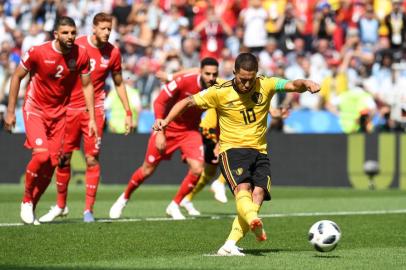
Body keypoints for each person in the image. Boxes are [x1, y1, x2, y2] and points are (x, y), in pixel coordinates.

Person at [153, 52, 320, 255]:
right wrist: (166, 122)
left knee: (258, 194)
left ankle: (230, 244)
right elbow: (187, 102)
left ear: (257, 75)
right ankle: (252, 221)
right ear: (234, 73)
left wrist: (307, 82)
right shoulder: (219, 91)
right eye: (242, 79)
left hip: (260, 150)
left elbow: (293, 85)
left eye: (251, 80)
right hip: (232, 149)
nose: (247, 85)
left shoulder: (265, 84)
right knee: (244, 188)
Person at [39, 13, 134, 223]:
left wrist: (128, 112)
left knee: (91, 158)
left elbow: (119, 83)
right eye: (103, 28)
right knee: (63, 159)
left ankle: (88, 210)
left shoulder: (113, 53)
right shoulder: (77, 45)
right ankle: (61, 206)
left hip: (94, 111)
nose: (107, 32)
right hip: (68, 110)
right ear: (93, 28)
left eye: (110, 29)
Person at [4, 16, 97, 225]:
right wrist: (10, 112)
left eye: (73, 33)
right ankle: (26, 200)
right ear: (56, 34)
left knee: (53, 164)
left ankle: (33, 207)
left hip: (59, 114)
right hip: (35, 109)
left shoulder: (81, 54)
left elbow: (87, 85)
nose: (70, 36)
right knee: (42, 156)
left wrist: (92, 116)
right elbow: (17, 76)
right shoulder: (38, 52)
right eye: (65, 33)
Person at [109, 57, 220, 220]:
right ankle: (123, 199)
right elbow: (159, 102)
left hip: (189, 132)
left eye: (214, 74)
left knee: (197, 168)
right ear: (200, 72)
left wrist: (218, 140)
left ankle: (174, 205)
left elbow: (220, 115)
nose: (211, 78)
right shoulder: (184, 81)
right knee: (147, 170)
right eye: (207, 74)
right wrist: (160, 131)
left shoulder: (216, 90)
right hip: (167, 127)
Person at [180, 108, 228, 216]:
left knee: (209, 172)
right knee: (237, 153)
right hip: (210, 129)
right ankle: (220, 183)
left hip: (213, 129)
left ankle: (186, 198)